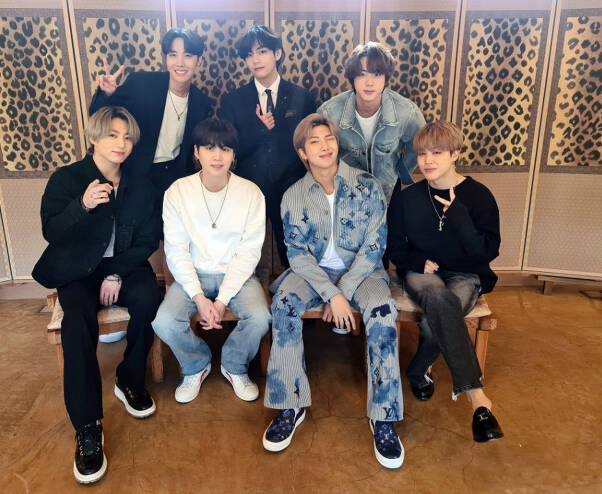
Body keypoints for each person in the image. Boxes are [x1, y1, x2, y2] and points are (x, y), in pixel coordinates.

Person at [262, 114, 405, 469]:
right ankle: (290, 405)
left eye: (329, 139)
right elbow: (297, 255)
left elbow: (375, 244)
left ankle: (383, 415)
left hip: (363, 271)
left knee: (383, 312)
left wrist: (345, 288)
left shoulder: (367, 186)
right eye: (314, 142)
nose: (324, 146)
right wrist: (333, 294)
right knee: (284, 303)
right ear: (302, 153)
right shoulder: (293, 196)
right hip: (311, 272)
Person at [32, 107, 162, 484]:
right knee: (77, 321)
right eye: (112, 135)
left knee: (148, 299)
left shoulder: (141, 186)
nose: (121, 143)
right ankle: (87, 426)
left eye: (127, 137)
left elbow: (148, 239)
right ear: (93, 138)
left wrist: (117, 272)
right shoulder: (67, 179)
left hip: (123, 265)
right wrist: (83, 205)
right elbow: (51, 231)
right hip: (78, 270)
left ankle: (129, 379)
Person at [387, 120, 504, 442]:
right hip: (422, 273)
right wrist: (416, 262)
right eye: (422, 154)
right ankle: (477, 398)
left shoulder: (479, 196)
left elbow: (487, 252)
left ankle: (416, 371)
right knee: (440, 300)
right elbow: (394, 247)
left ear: (455, 154)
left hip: (466, 273)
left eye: (437, 153)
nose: (427, 161)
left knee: (432, 322)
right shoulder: (408, 198)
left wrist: (460, 218)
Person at [151, 119, 271, 404]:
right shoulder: (178, 192)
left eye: (225, 149)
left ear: (233, 154)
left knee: (260, 318)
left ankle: (234, 365)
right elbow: (176, 251)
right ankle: (197, 364)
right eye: (209, 148)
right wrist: (199, 297)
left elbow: (248, 253)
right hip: (193, 274)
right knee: (164, 322)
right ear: (196, 152)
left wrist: (221, 300)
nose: (217, 156)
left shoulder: (251, 193)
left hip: (237, 275)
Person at [219, 25, 316, 269]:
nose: (255, 60)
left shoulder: (302, 97)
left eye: (262, 51)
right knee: (243, 258)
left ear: (277, 54)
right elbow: (227, 149)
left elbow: (311, 147)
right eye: (249, 55)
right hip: (249, 189)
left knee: (295, 257)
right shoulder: (233, 100)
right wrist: (259, 131)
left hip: (293, 189)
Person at [90, 27, 213, 200]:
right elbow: (97, 117)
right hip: (136, 173)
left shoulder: (201, 103)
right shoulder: (142, 84)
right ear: (166, 58)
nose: (180, 63)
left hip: (175, 176)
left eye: (188, 55)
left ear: (199, 60)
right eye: (173, 55)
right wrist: (107, 94)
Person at [317, 42, 425, 204]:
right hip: (345, 193)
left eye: (377, 74)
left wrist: (399, 173)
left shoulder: (406, 112)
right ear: (353, 78)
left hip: (388, 193)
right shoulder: (329, 112)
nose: (369, 83)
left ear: (386, 78)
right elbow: (316, 152)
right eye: (362, 74)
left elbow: (420, 145)